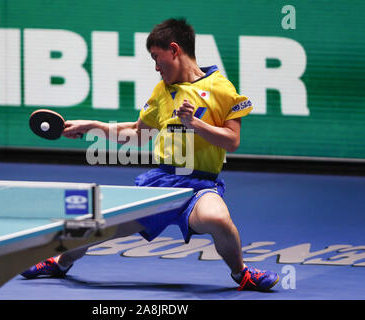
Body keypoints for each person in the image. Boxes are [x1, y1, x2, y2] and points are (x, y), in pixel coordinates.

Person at [21, 18, 279, 291]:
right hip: (161, 185)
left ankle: (241, 274)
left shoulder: (221, 89)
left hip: (200, 186)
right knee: (99, 225)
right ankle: (60, 263)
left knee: (217, 219)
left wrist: (196, 124)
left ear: (174, 50)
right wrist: (92, 127)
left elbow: (233, 141)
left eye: (157, 57)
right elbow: (136, 131)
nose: (156, 66)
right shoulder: (161, 91)